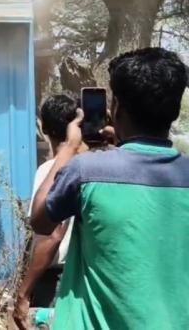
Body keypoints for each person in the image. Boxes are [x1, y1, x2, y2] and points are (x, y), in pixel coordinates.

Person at [30, 47, 189, 329]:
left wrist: (69, 147)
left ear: (117, 109)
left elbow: (40, 220)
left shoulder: (86, 171)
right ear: (175, 110)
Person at [13, 95, 79, 329]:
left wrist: (24, 292)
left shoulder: (50, 170)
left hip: (55, 281)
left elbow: (52, 235)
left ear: (43, 128)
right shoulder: (91, 165)